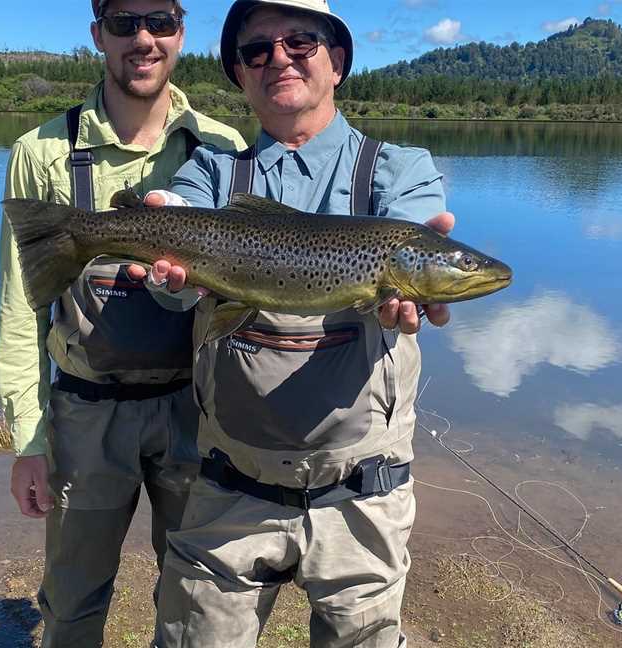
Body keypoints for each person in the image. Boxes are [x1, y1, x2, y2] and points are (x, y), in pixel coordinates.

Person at [144, 0, 454, 645]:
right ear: (239, 73)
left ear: (337, 61)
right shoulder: (210, 172)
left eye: (300, 42)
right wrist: (163, 262)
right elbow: (174, 291)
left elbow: (423, 239)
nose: (278, 57)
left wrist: (420, 292)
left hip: (362, 493)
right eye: (257, 49)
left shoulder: (399, 171)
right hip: (229, 484)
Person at [0, 1, 245, 646]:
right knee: (73, 603)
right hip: (84, 416)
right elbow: (21, 307)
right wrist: (28, 437)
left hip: (195, 411)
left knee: (195, 602)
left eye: (159, 21)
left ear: (180, 34)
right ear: (97, 35)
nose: (143, 38)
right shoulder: (42, 151)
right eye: (124, 22)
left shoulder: (225, 148)